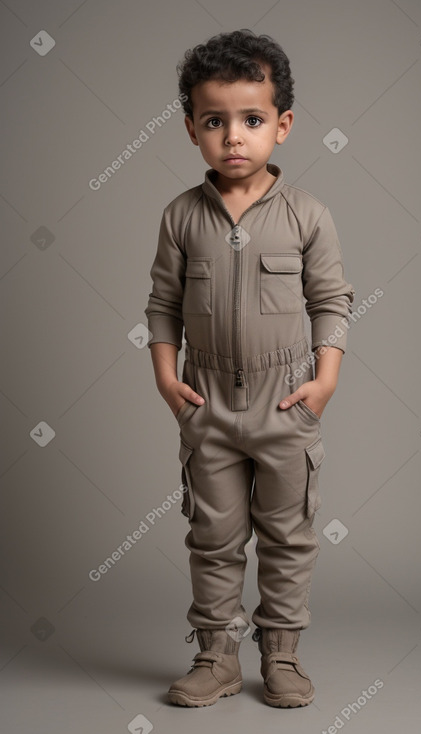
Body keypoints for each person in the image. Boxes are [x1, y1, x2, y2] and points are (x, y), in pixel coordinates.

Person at [144, 28, 355, 708]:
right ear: (191, 130)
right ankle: (215, 658)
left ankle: (283, 657)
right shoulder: (180, 217)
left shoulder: (307, 215)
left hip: (284, 402)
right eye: (215, 121)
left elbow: (330, 300)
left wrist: (323, 381)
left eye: (252, 120)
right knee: (212, 538)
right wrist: (165, 377)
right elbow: (161, 305)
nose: (233, 136)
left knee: (287, 536)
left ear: (282, 125)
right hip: (205, 402)